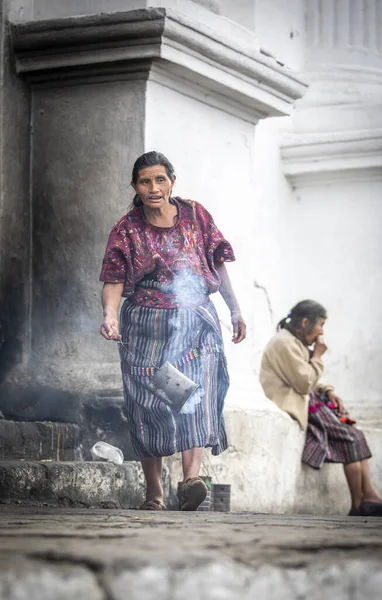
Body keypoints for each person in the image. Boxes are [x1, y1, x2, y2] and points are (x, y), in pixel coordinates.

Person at [99, 151, 246, 511]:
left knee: (196, 394)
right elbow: (114, 278)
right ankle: (155, 494)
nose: (154, 188)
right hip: (148, 327)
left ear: (172, 181)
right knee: (150, 403)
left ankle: (190, 480)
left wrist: (235, 308)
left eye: (160, 179)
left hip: (195, 319)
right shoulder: (127, 228)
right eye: (145, 181)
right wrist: (110, 315)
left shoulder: (195, 214)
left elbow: (218, 263)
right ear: (135, 186)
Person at [259, 299, 382, 517]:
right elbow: (304, 382)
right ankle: (358, 505)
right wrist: (317, 356)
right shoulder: (284, 343)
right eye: (321, 324)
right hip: (299, 405)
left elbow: (309, 378)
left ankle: (369, 496)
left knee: (356, 434)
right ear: (306, 322)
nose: (321, 331)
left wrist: (327, 391)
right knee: (350, 438)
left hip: (310, 402)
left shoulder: (294, 343)